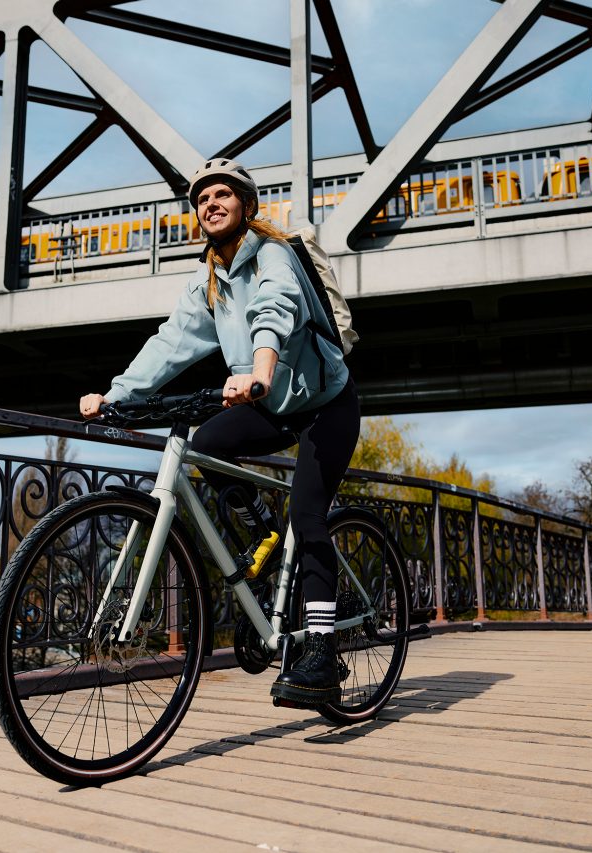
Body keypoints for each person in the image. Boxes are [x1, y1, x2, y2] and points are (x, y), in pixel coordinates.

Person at [79, 157, 360, 705]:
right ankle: (262, 536)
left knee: (307, 513)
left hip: (325, 403)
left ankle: (323, 652)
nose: (211, 202)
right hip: (271, 403)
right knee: (205, 442)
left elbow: (276, 309)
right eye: (202, 197)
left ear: (247, 206)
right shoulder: (208, 281)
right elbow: (170, 344)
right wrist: (114, 395)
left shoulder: (274, 255)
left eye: (223, 193)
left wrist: (260, 369)